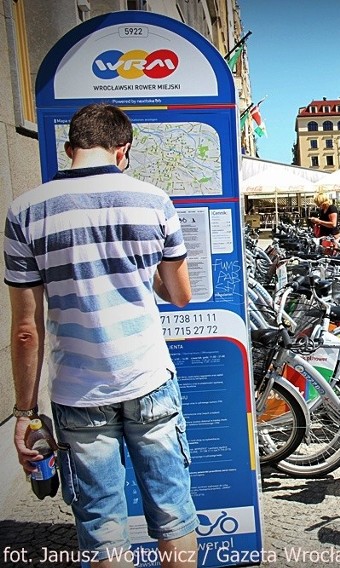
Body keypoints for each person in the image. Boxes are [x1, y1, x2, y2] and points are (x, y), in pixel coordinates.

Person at [5, 104, 198, 566]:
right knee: (173, 514)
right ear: (122, 149)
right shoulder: (154, 201)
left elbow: (27, 331)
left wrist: (24, 413)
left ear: (70, 149)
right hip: (148, 379)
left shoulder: (24, 211)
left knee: (101, 523)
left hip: (78, 391)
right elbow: (180, 295)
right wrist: (138, 271)